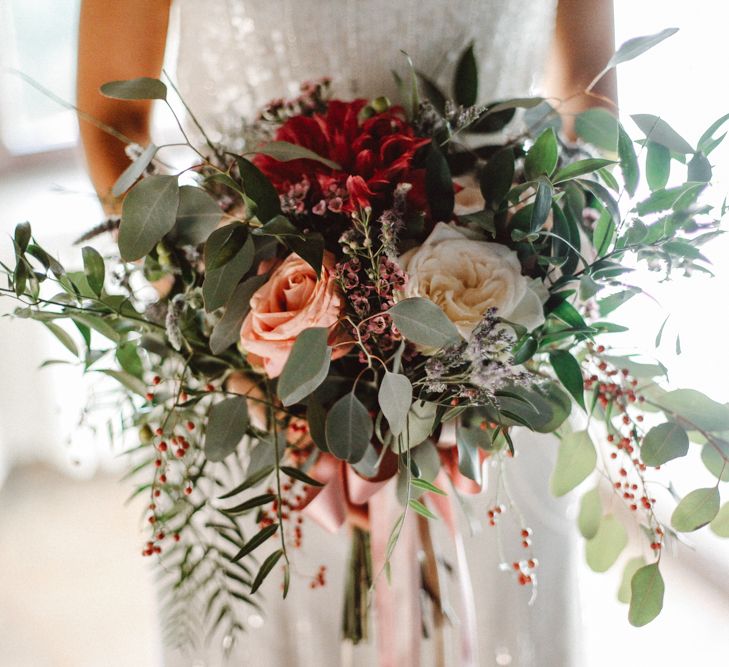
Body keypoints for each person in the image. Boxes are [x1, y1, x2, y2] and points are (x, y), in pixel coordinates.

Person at [76, 2, 617, 665]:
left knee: (504, 616)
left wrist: (546, 263)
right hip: (252, 376)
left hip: (494, 348)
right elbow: (114, 122)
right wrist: (236, 327)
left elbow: (588, 82)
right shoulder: (245, 347)